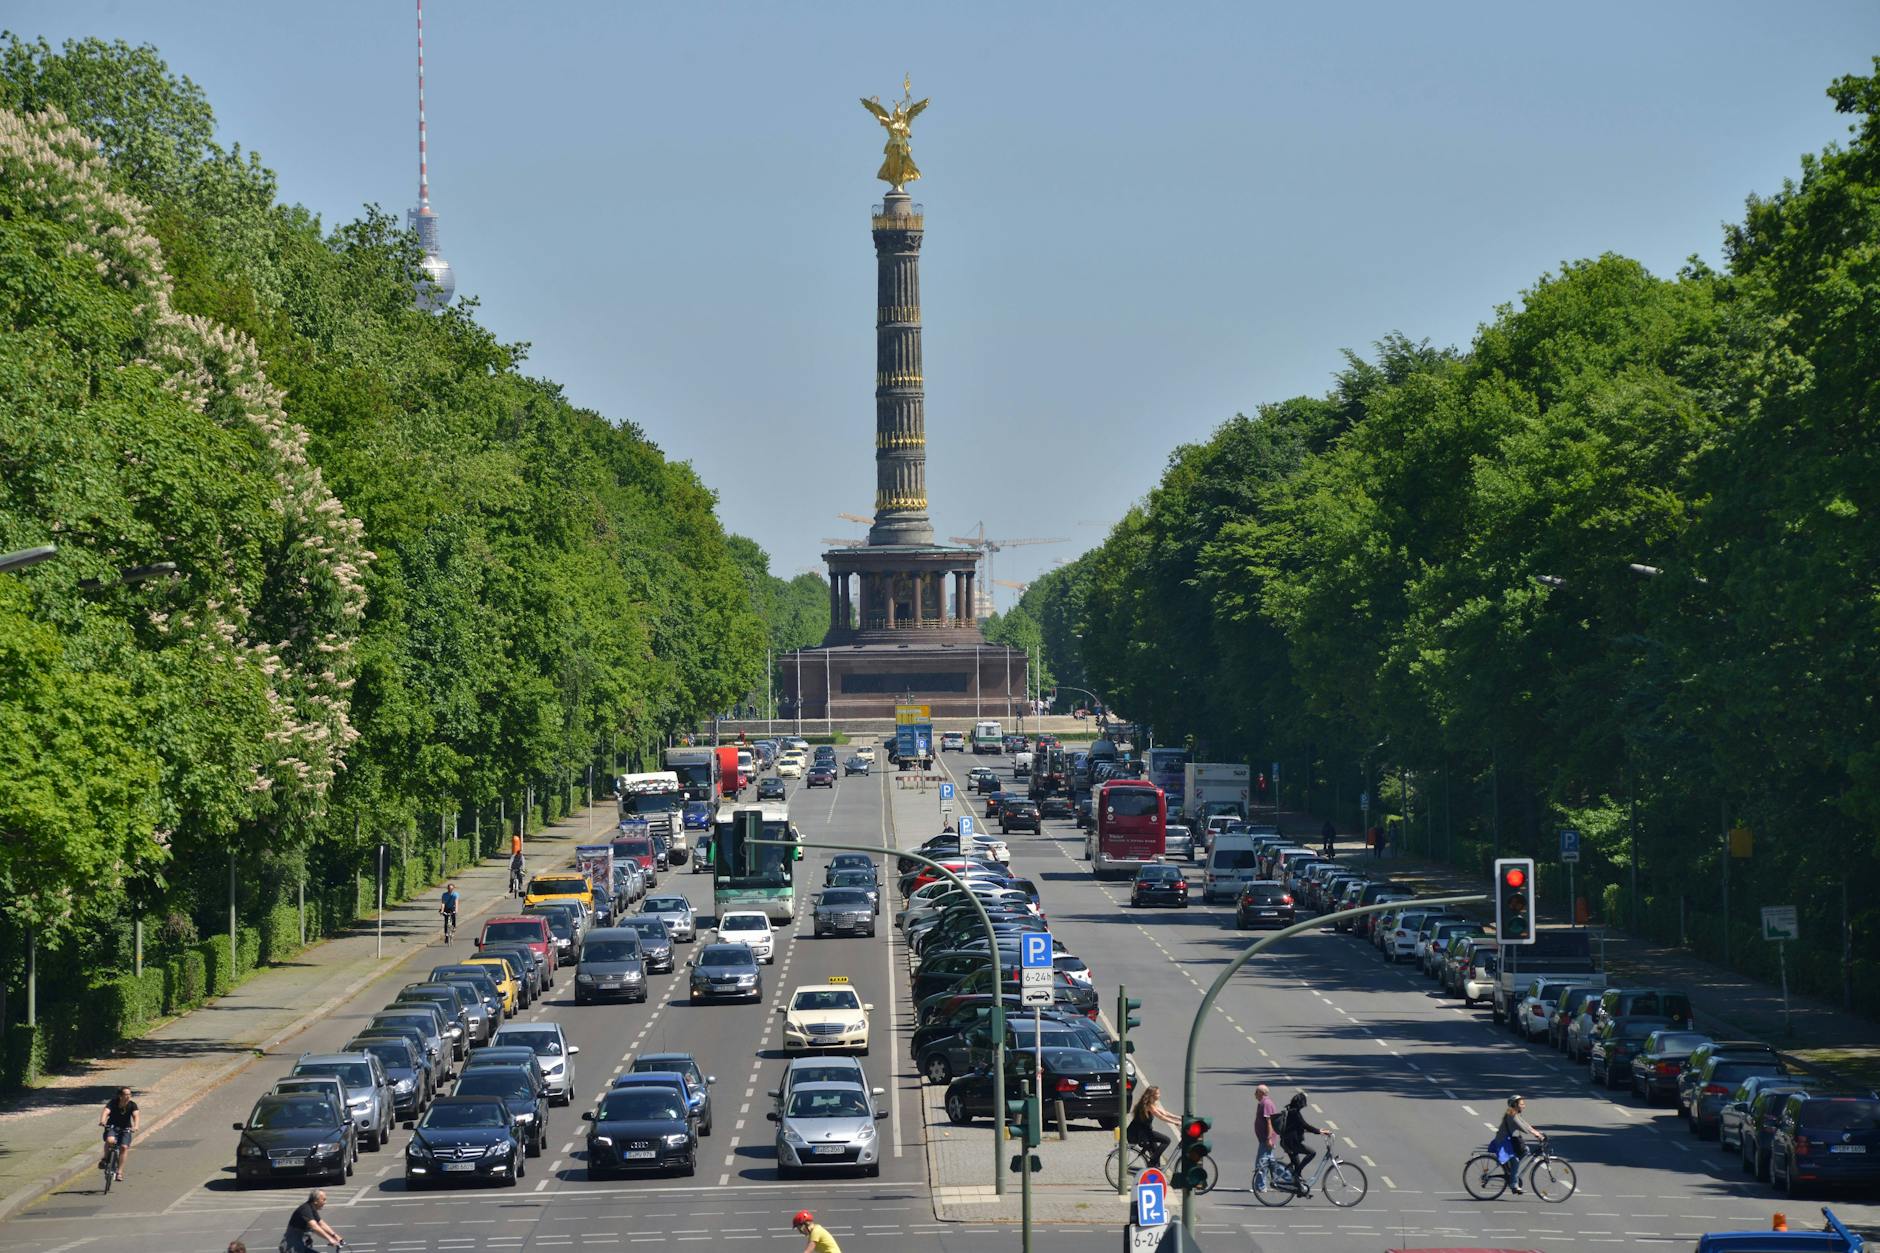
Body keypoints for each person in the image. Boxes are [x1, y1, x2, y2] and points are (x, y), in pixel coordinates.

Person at [1495, 1094, 1545, 1193]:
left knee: (1525, 1150)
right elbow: (1522, 1127)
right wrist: (1535, 1134)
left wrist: (1537, 1132)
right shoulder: (1512, 1114)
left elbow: (1525, 1123)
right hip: (1504, 1143)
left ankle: (1512, 1172)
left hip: (1508, 1141)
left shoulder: (1515, 1113)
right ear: (1515, 1104)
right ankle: (1513, 1184)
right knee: (1516, 1161)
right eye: (1522, 1104)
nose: (1524, 1106)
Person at [1276, 1091, 1322, 1193]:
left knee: (1297, 1166)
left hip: (1287, 1141)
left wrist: (1307, 1130)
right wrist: (1319, 1131)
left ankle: (1299, 1188)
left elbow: (1295, 1126)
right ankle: (1296, 1177)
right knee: (1311, 1152)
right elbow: (1304, 1124)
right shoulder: (1294, 1112)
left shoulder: (1290, 1110)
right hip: (1291, 1143)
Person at [1127, 1084, 1180, 1169]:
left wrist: (1179, 1118)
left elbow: (1164, 1113)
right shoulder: (1148, 1106)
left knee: (1156, 1153)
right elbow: (1161, 1116)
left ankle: (1154, 1169)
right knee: (1166, 1140)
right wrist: (1175, 1122)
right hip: (1140, 1134)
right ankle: (1152, 1163)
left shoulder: (1151, 1104)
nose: (1159, 1095)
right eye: (1158, 1093)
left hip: (1144, 1132)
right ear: (1152, 1095)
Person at [98, 1087, 139, 1181]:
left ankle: (119, 1172)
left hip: (125, 1128)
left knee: (124, 1147)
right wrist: (102, 1121)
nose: (128, 1096)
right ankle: (105, 1158)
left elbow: (136, 1115)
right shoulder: (113, 1103)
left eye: (129, 1094)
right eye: (126, 1094)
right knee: (110, 1140)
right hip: (112, 1126)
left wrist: (135, 1126)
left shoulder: (132, 1105)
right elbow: (106, 1111)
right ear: (120, 1096)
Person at [1252, 1083, 1280, 1189]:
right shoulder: (1263, 1103)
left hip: (1266, 1139)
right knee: (1271, 1163)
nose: (1255, 1094)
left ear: (1261, 1093)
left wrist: (1268, 1138)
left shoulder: (1266, 1103)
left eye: (1256, 1092)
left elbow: (1269, 1122)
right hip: (1265, 1139)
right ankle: (1281, 1181)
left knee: (1261, 1164)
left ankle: (1260, 1186)